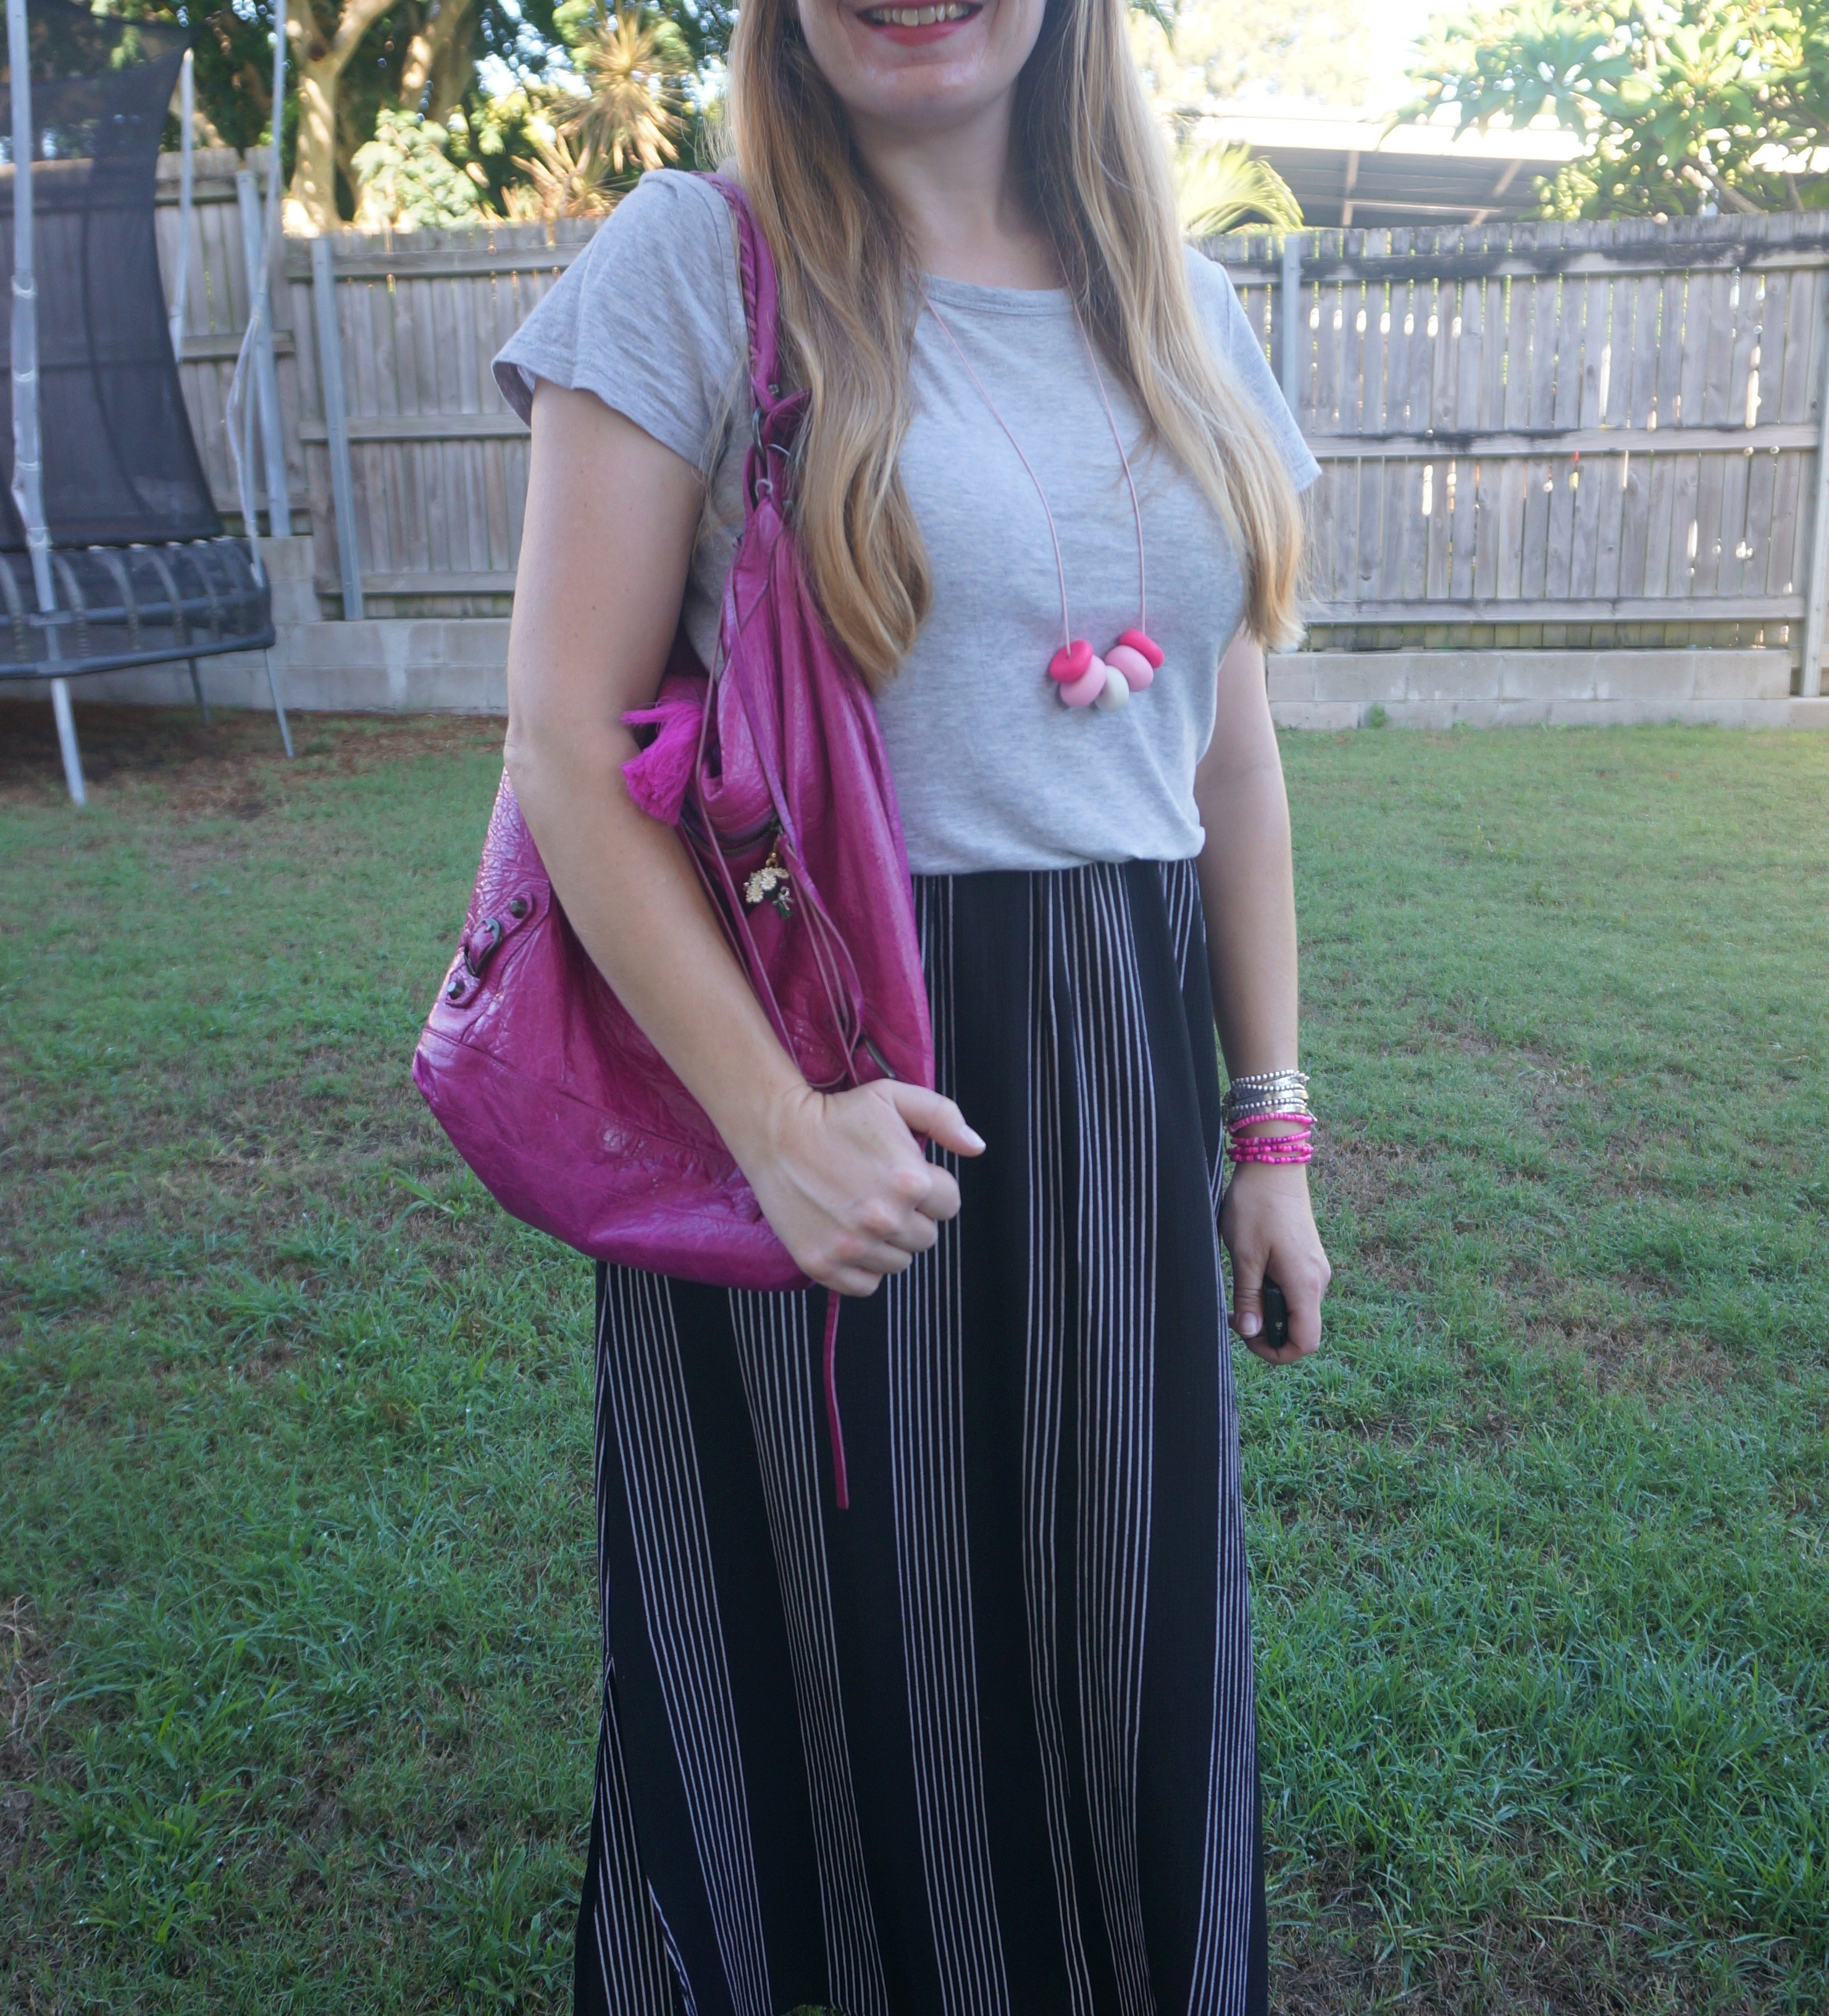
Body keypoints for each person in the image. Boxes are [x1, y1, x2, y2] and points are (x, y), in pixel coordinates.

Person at [492, 0, 1331, 2003]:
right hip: (814, 1054)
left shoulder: (1190, 311)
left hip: (1118, 1075)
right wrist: (779, 1127)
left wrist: (1270, 1127)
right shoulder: (698, 268)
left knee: (1119, 1637)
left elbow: (1229, 767)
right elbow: (556, 741)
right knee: (823, 1656)